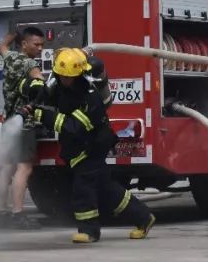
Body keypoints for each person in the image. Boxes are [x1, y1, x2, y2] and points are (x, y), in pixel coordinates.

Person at [21, 47, 155, 244]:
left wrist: (42, 115)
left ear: (79, 74)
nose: (66, 80)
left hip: (91, 148)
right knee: (107, 190)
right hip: (79, 149)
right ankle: (144, 218)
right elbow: (48, 95)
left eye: (70, 77)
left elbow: (73, 127)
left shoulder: (89, 97)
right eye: (62, 76)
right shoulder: (61, 84)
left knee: (83, 189)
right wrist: (33, 90)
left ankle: (89, 231)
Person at [0, 26, 46, 228]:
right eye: (36, 44)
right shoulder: (31, 65)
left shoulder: (10, 58)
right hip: (24, 124)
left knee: (7, 167)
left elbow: (2, 47)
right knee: (24, 168)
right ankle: (18, 214)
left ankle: (0, 213)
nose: (40, 48)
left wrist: (11, 36)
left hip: (8, 123)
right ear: (25, 44)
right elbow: (43, 89)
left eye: (42, 45)